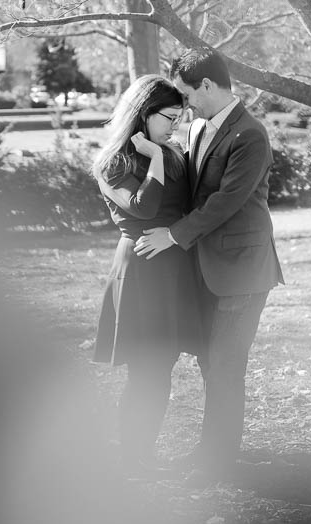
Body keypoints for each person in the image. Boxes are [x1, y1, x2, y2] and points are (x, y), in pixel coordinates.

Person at [135, 49, 284, 486]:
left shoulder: (249, 135)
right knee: (210, 364)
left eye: (185, 94)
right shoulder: (200, 127)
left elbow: (225, 202)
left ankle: (216, 463)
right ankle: (213, 452)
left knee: (224, 366)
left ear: (207, 85)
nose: (184, 106)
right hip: (207, 268)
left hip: (241, 271)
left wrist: (174, 235)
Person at [92, 74, 199, 477]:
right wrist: (153, 156)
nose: (175, 125)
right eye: (170, 117)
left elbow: (185, 208)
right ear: (143, 113)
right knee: (146, 369)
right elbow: (142, 208)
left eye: (180, 116)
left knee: (162, 365)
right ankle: (132, 458)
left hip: (173, 270)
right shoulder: (113, 162)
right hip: (140, 273)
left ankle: (144, 454)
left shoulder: (173, 152)